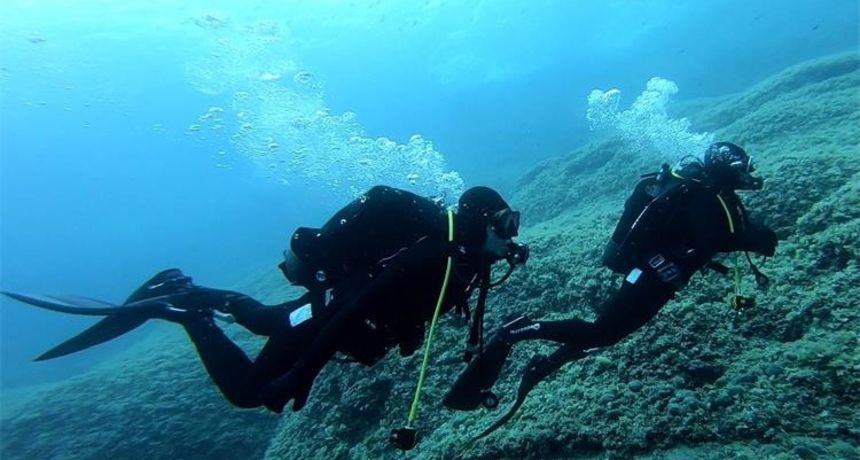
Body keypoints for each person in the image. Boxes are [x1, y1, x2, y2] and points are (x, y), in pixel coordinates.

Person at [3, 185, 529, 417]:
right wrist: (302, 375)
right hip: (337, 311)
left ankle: (188, 292)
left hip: (340, 312)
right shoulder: (435, 258)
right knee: (252, 391)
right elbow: (354, 305)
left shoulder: (463, 263)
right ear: (482, 222)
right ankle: (183, 309)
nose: (512, 236)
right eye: (506, 224)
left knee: (266, 319)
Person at [444, 142, 778, 439]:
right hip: (650, 276)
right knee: (603, 332)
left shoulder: (711, 194)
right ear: (725, 169)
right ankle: (518, 332)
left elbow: (714, 237)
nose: (747, 175)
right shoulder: (706, 197)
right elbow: (716, 239)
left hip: (656, 277)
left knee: (606, 334)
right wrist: (759, 238)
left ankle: (544, 364)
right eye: (741, 169)